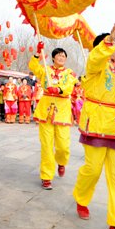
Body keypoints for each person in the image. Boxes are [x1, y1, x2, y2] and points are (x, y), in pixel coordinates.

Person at [72, 25, 115, 229]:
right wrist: (108, 42)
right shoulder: (95, 67)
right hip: (97, 123)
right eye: (112, 44)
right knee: (92, 170)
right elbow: (95, 59)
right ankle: (81, 198)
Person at [29, 45, 76, 190]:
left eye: (64, 56)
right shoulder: (45, 70)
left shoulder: (69, 73)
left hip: (62, 111)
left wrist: (59, 89)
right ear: (53, 57)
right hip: (46, 111)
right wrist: (37, 54)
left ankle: (61, 162)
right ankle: (46, 176)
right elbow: (33, 66)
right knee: (47, 146)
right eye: (59, 55)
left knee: (63, 146)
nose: (61, 58)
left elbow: (69, 87)